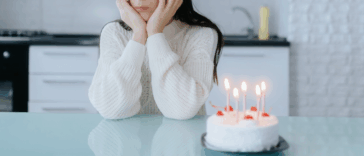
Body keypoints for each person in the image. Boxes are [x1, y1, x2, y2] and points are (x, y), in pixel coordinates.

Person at [88, 0, 224, 120]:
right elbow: (110, 109)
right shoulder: (114, 32)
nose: (139, 1)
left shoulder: (201, 34)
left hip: (182, 142)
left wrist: (155, 33)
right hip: (128, 142)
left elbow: (182, 110)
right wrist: (139, 36)